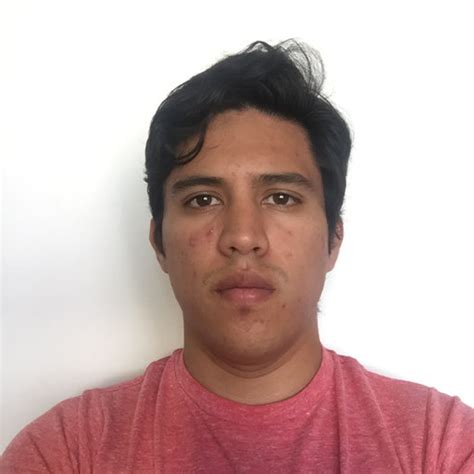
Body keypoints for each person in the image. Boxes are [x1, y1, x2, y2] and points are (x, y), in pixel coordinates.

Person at [1, 40, 473, 473]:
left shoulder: (443, 447)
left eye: (281, 198)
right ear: (159, 242)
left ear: (333, 238)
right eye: (203, 199)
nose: (243, 237)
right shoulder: (65, 453)